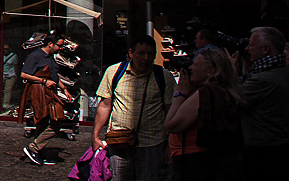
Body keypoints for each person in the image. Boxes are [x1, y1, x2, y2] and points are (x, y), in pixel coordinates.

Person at [90, 36, 175, 181]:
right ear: (131, 53)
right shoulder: (114, 72)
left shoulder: (163, 77)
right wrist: (95, 136)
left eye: (150, 54)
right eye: (141, 53)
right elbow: (105, 105)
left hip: (152, 143)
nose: (146, 58)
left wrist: (170, 144)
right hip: (119, 142)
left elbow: (170, 112)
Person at [165, 44, 243, 180]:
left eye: (195, 65)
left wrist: (180, 94)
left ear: (211, 71)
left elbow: (171, 125)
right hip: (222, 162)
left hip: (195, 162)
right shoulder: (229, 93)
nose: (190, 68)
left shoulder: (205, 94)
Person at [238, 25, 289, 180]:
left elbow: (234, 100)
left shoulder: (262, 79)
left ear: (265, 49)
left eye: (252, 45)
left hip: (264, 153)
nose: (247, 49)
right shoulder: (281, 72)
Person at [20, 34, 72, 164]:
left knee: (45, 123)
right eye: (59, 45)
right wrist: (43, 81)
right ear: (50, 44)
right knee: (55, 121)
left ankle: (38, 153)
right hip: (40, 93)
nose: (60, 48)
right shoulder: (35, 56)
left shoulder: (51, 58)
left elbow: (54, 76)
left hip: (50, 93)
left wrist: (64, 88)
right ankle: (33, 148)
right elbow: (24, 74)